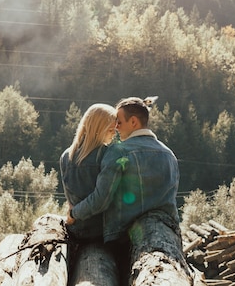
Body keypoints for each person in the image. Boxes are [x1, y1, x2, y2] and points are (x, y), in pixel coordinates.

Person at [66, 96, 181, 281]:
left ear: (133, 121)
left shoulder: (119, 152)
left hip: (123, 240)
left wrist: (74, 213)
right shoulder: (169, 154)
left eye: (119, 122)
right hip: (165, 235)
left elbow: (101, 199)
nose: (116, 127)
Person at [59, 103, 117, 242]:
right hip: (102, 232)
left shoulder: (66, 155)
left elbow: (70, 198)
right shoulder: (107, 154)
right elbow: (102, 200)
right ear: (100, 128)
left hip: (76, 230)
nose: (114, 134)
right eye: (111, 129)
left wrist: (73, 214)